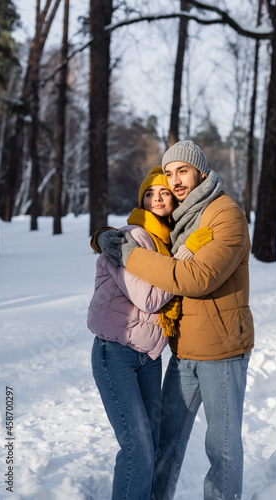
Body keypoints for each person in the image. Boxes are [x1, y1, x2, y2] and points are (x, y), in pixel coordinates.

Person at [95, 141, 255, 500]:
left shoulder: (226, 214)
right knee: (165, 442)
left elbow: (194, 278)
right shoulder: (182, 213)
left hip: (222, 351)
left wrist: (126, 254)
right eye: (169, 173)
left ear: (200, 170)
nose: (175, 180)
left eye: (182, 170)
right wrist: (105, 236)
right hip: (183, 350)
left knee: (222, 449)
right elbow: (147, 226)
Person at [88, 165, 213, 500]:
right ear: (140, 200)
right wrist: (185, 259)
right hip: (116, 352)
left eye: (164, 193)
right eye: (149, 193)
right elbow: (150, 297)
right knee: (137, 446)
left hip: (150, 357)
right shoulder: (131, 237)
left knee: (150, 443)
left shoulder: (165, 243)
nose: (157, 199)